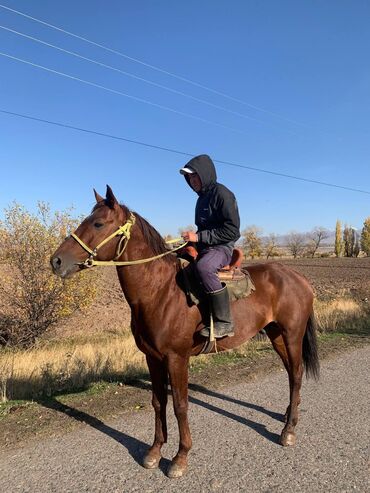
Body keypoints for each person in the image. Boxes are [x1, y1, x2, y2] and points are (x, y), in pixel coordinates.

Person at [179, 154, 240, 338]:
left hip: (223, 248)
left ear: (205, 174)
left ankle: (224, 322)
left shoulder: (223, 194)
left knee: (204, 268)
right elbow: (202, 229)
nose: (192, 180)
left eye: (195, 176)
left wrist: (198, 237)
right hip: (206, 246)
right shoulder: (201, 199)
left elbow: (232, 231)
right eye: (189, 177)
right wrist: (192, 241)